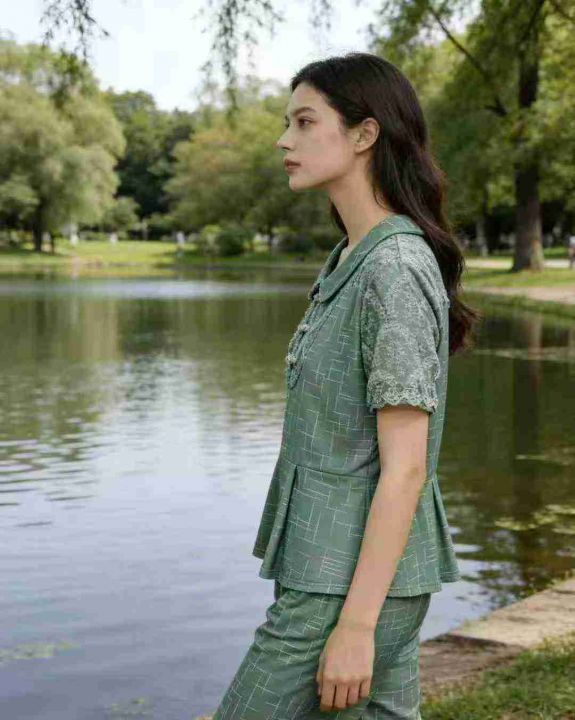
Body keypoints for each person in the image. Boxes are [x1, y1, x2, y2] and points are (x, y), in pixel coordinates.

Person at [212, 52, 480, 720]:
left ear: (364, 135)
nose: (285, 140)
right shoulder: (351, 256)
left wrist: (356, 627)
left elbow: (406, 467)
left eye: (304, 122)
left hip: (345, 589)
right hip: (330, 571)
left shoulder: (394, 267)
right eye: (287, 122)